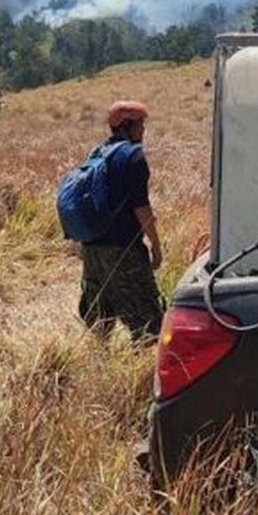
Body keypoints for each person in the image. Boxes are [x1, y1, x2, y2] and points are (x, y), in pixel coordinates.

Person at [78, 100, 165, 342]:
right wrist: (156, 245)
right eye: (140, 124)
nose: (143, 130)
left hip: (91, 248)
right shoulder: (133, 156)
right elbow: (142, 209)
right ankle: (141, 376)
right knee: (148, 319)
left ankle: (98, 364)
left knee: (100, 314)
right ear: (127, 126)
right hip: (123, 249)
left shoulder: (97, 153)